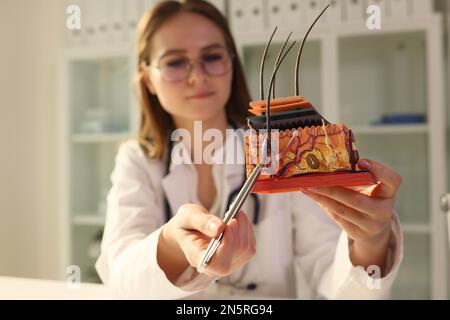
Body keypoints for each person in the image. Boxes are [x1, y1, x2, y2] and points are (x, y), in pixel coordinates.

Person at [95, 0, 403, 299]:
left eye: (212, 57)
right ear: (148, 78)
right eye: (175, 62)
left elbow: (335, 279)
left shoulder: (284, 151)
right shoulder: (136, 160)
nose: (198, 76)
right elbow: (120, 278)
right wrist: (173, 245)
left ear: (231, 63)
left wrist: (370, 242)